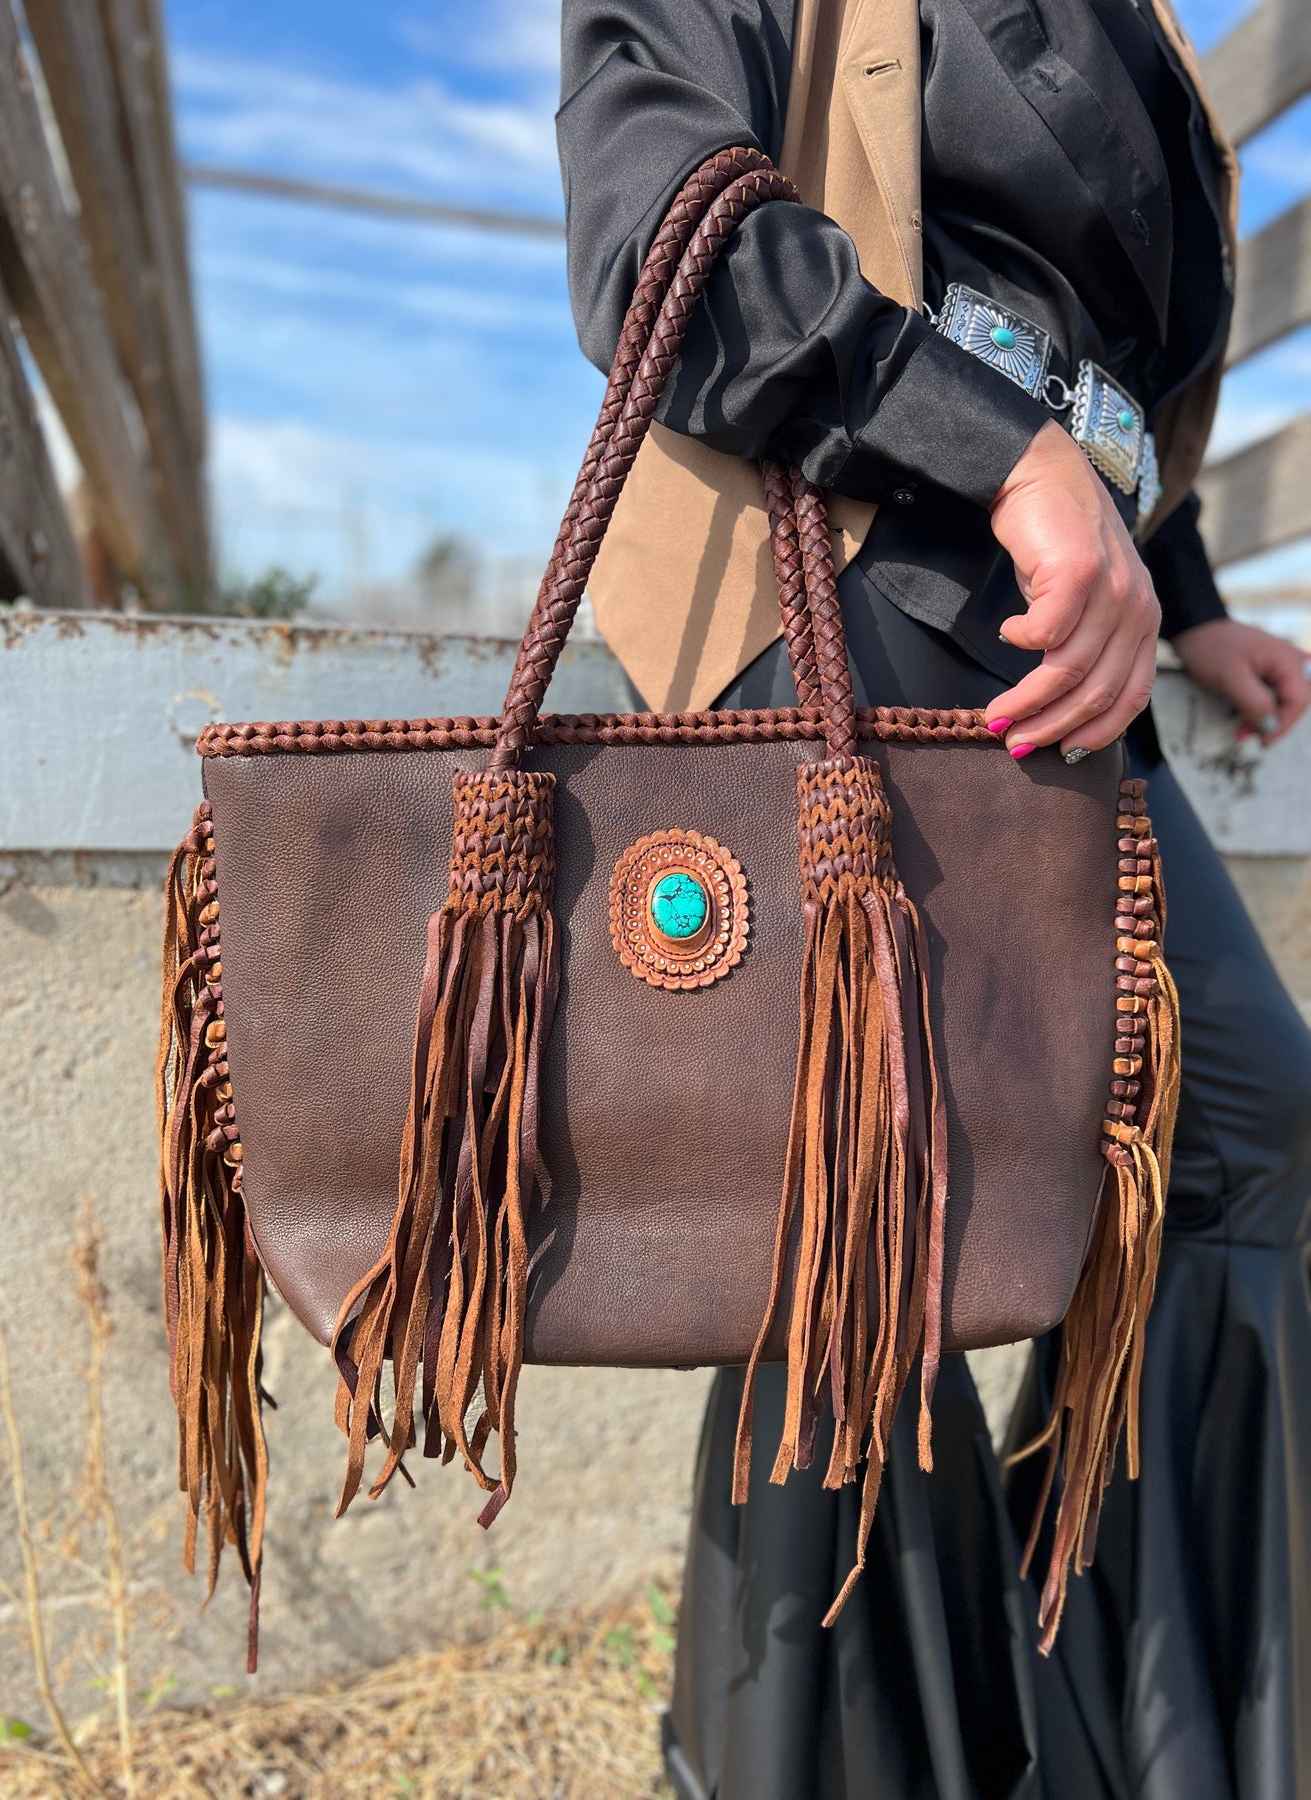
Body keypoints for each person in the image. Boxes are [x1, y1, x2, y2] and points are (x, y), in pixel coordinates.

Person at [556, 1, 1311, 1795]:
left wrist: (1185, 592)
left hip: (1063, 654)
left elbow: (1092, 350)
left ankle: (1150, 1737)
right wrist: (1004, 455)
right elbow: (655, 221)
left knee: (1245, 1143)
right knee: (867, 1210)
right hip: (849, 591)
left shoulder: (1134, 26)